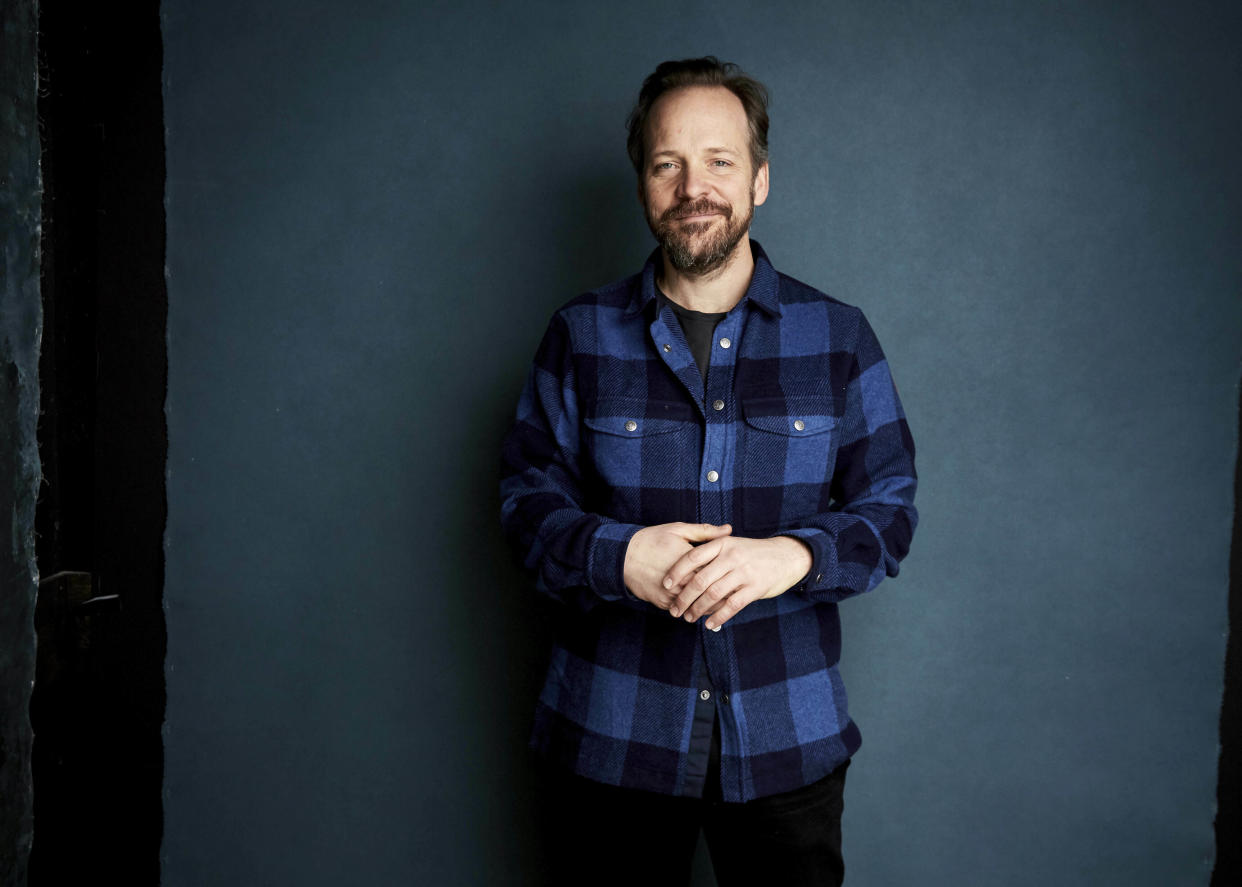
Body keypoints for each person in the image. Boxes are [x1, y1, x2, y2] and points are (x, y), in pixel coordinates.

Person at [500, 57, 917, 887]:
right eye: (668, 164)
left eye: (720, 161)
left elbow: (891, 509)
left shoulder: (838, 336)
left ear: (759, 179)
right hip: (609, 738)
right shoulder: (579, 334)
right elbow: (522, 501)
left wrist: (791, 556)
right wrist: (615, 555)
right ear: (645, 184)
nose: (696, 186)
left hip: (786, 738)